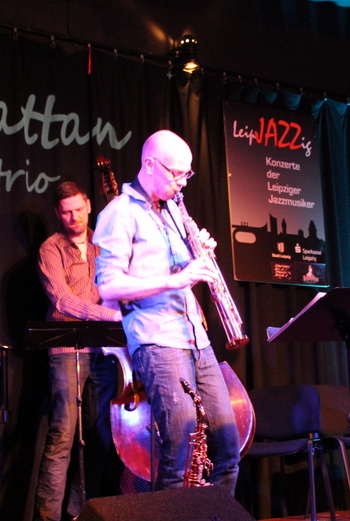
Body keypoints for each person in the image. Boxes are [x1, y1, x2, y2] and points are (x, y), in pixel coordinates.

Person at [92, 129, 241, 492]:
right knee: (179, 454)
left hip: (196, 338)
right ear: (149, 165)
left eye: (187, 174)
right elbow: (108, 286)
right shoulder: (119, 213)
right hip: (158, 340)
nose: (182, 183)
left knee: (228, 445)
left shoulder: (174, 209)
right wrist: (175, 279)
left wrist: (199, 254)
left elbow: (181, 270)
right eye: (176, 174)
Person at [35, 180, 123, 521]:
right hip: (66, 350)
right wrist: (110, 315)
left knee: (100, 437)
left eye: (78, 209)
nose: (74, 218)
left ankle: (78, 513)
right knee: (63, 436)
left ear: (88, 206)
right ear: (57, 214)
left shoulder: (105, 244)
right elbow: (63, 300)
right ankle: (49, 517)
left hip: (105, 351)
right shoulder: (50, 248)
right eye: (66, 212)